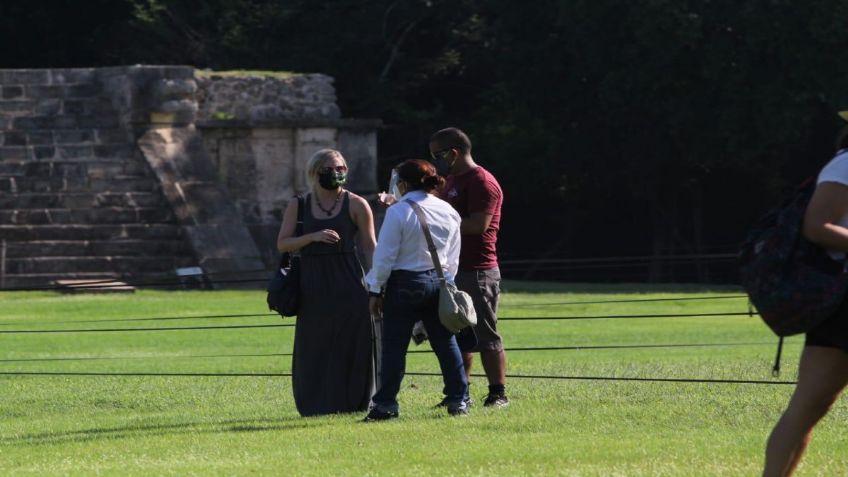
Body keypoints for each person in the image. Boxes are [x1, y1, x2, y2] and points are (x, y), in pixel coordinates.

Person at [763, 115, 848, 476]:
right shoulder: (845, 164)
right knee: (809, 405)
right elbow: (816, 226)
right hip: (844, 300)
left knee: (809, 404)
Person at [363, 159, 468, 420]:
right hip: (438, 281)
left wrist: (375, 289)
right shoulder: (448, 210)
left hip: (404, 283)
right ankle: (459, 398)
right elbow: (454, 255)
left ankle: (386, 404)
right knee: (446, 343)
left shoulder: (398, 212)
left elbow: (385, 256)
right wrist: (449, 283)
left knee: (394, 347)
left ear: (402, 184)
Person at [276, 148, 377, 417]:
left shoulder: (357, 204)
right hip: (312, 282)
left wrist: (378, 284)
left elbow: (370, 248)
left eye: (341, 168)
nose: (336, 173)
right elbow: (283, 243)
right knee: (314, 344)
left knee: (353, 342)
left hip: (349, 280)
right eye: (330, 169)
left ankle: (353, 402)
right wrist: (313, 236)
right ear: (314, 172)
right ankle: (314, 404)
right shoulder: (298, 205)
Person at [429, 127, 509, 408]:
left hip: (478, 269)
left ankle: (498, 393)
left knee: (485, 333)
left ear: (454, 152)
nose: (435, 161)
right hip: (452, 269)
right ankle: (459, 393)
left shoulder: (481, 182)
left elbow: (478, 224)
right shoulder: (451, 180)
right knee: (457, 331)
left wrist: (438, 224)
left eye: (437, 155)